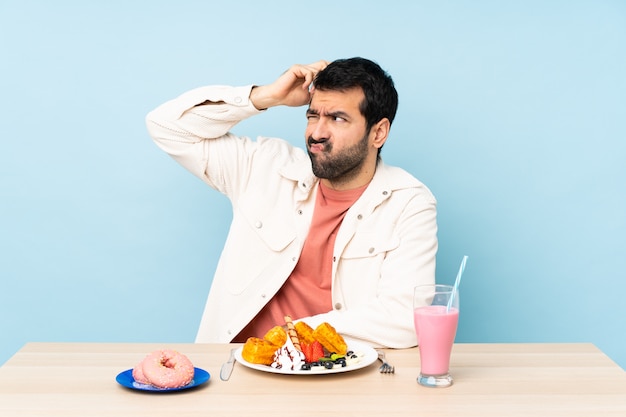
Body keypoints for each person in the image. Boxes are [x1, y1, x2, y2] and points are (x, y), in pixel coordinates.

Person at [146, 57, 437, 348]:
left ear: (378, 132)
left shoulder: (408, 203)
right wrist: (266, 96)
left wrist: (289, 334)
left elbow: (405, 318)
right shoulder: (264, 168)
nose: (317, 133)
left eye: (337, 118)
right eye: (313, 116)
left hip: (334, 375)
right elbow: (165, 126)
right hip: (235, 369)